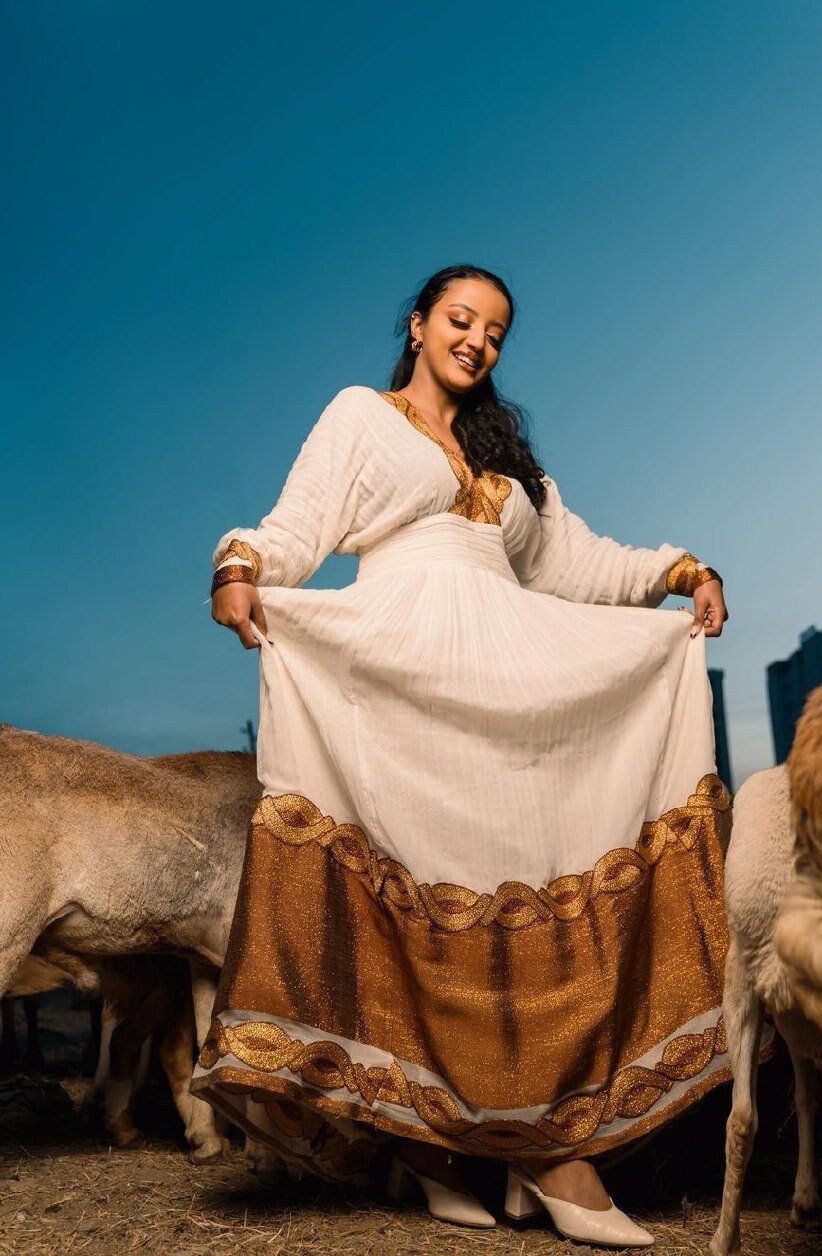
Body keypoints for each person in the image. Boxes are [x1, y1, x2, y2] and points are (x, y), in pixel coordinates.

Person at [189, 263, 742, 1249]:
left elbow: (576, 564)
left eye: (493, 330)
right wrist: (240, 568)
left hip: (511, 681)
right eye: (459, 318)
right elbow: (294, 527)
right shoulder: (361, 416)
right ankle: (505, 1152)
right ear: (416, 323)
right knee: (429, 901)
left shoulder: (509, 459)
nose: (476, 340)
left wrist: (679, 569)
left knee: (520, 885)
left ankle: (490, 1140)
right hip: (403, 678)